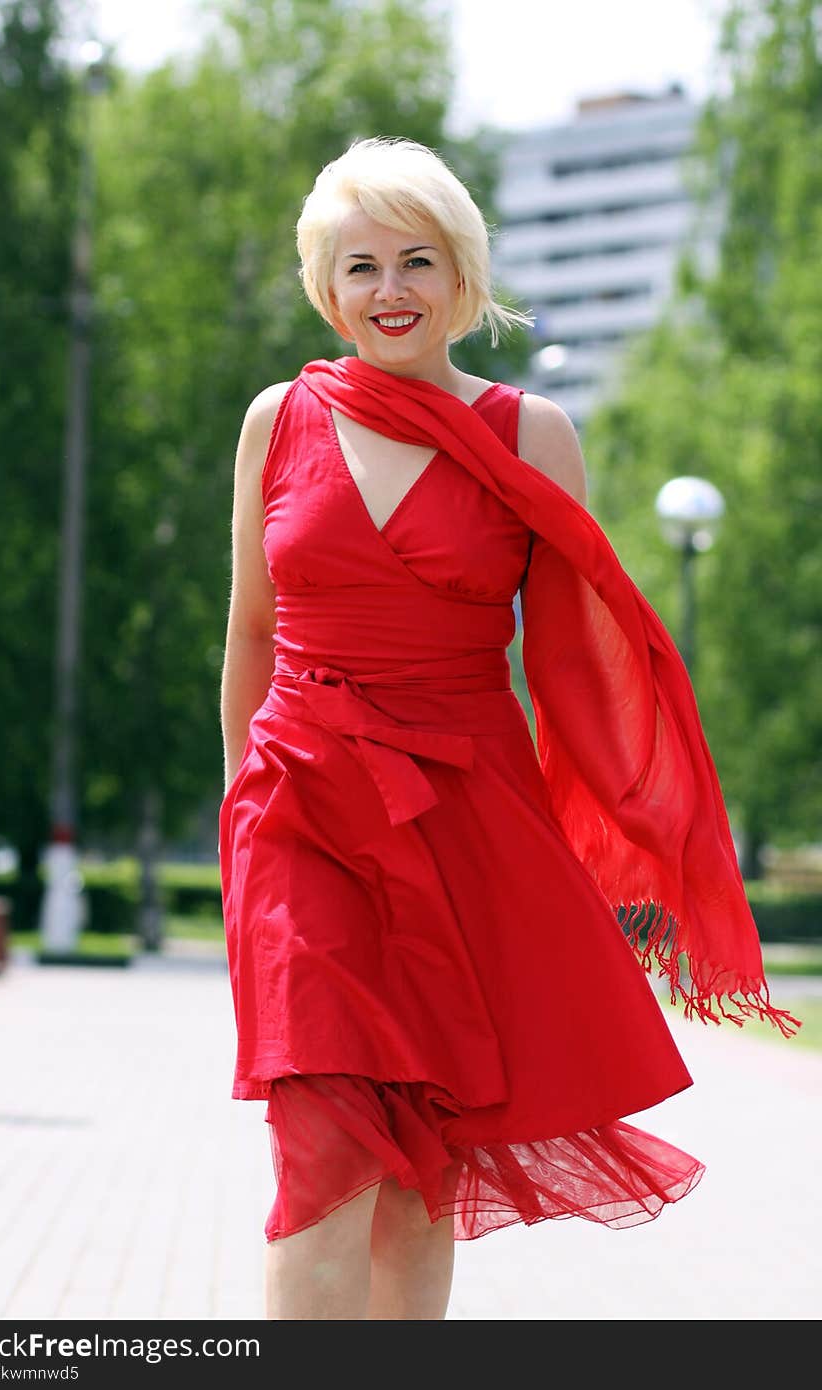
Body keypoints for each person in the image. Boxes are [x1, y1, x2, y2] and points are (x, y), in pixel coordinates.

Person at [218, 136, 798, 1322]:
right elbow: (250, 632)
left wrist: (638, 847)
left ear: (464, 280)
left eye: (417, 261)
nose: (390, 291)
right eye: (361, 264)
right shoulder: (279, 419)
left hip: (462, 828)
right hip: (299, 817)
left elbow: (584, 668)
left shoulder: (531, 434)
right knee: (321, 1160)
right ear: (326, 286)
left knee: (417, 1187)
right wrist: (240, 817)